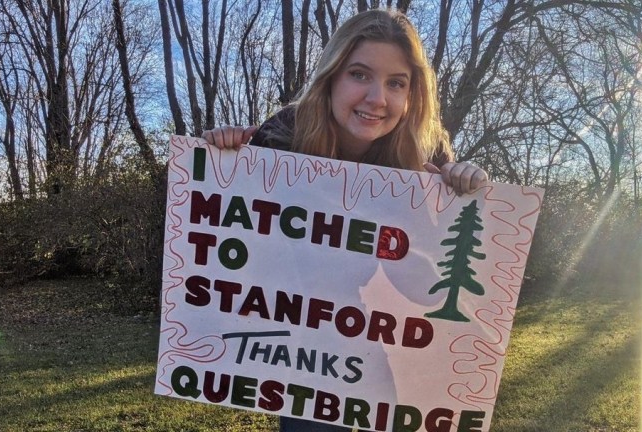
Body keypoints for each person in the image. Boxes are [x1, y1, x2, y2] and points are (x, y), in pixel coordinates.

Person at [203, 8, 487, 431]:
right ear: (332, 77)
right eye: (359, 74)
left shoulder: (426, 161)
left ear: (412, 95)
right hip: (301, 334)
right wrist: (222, 157)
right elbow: (240, 253)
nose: (377, 98)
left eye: (396, 83)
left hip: (376, 327)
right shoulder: (281, 137)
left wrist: (466, 189)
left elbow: (426, 290)